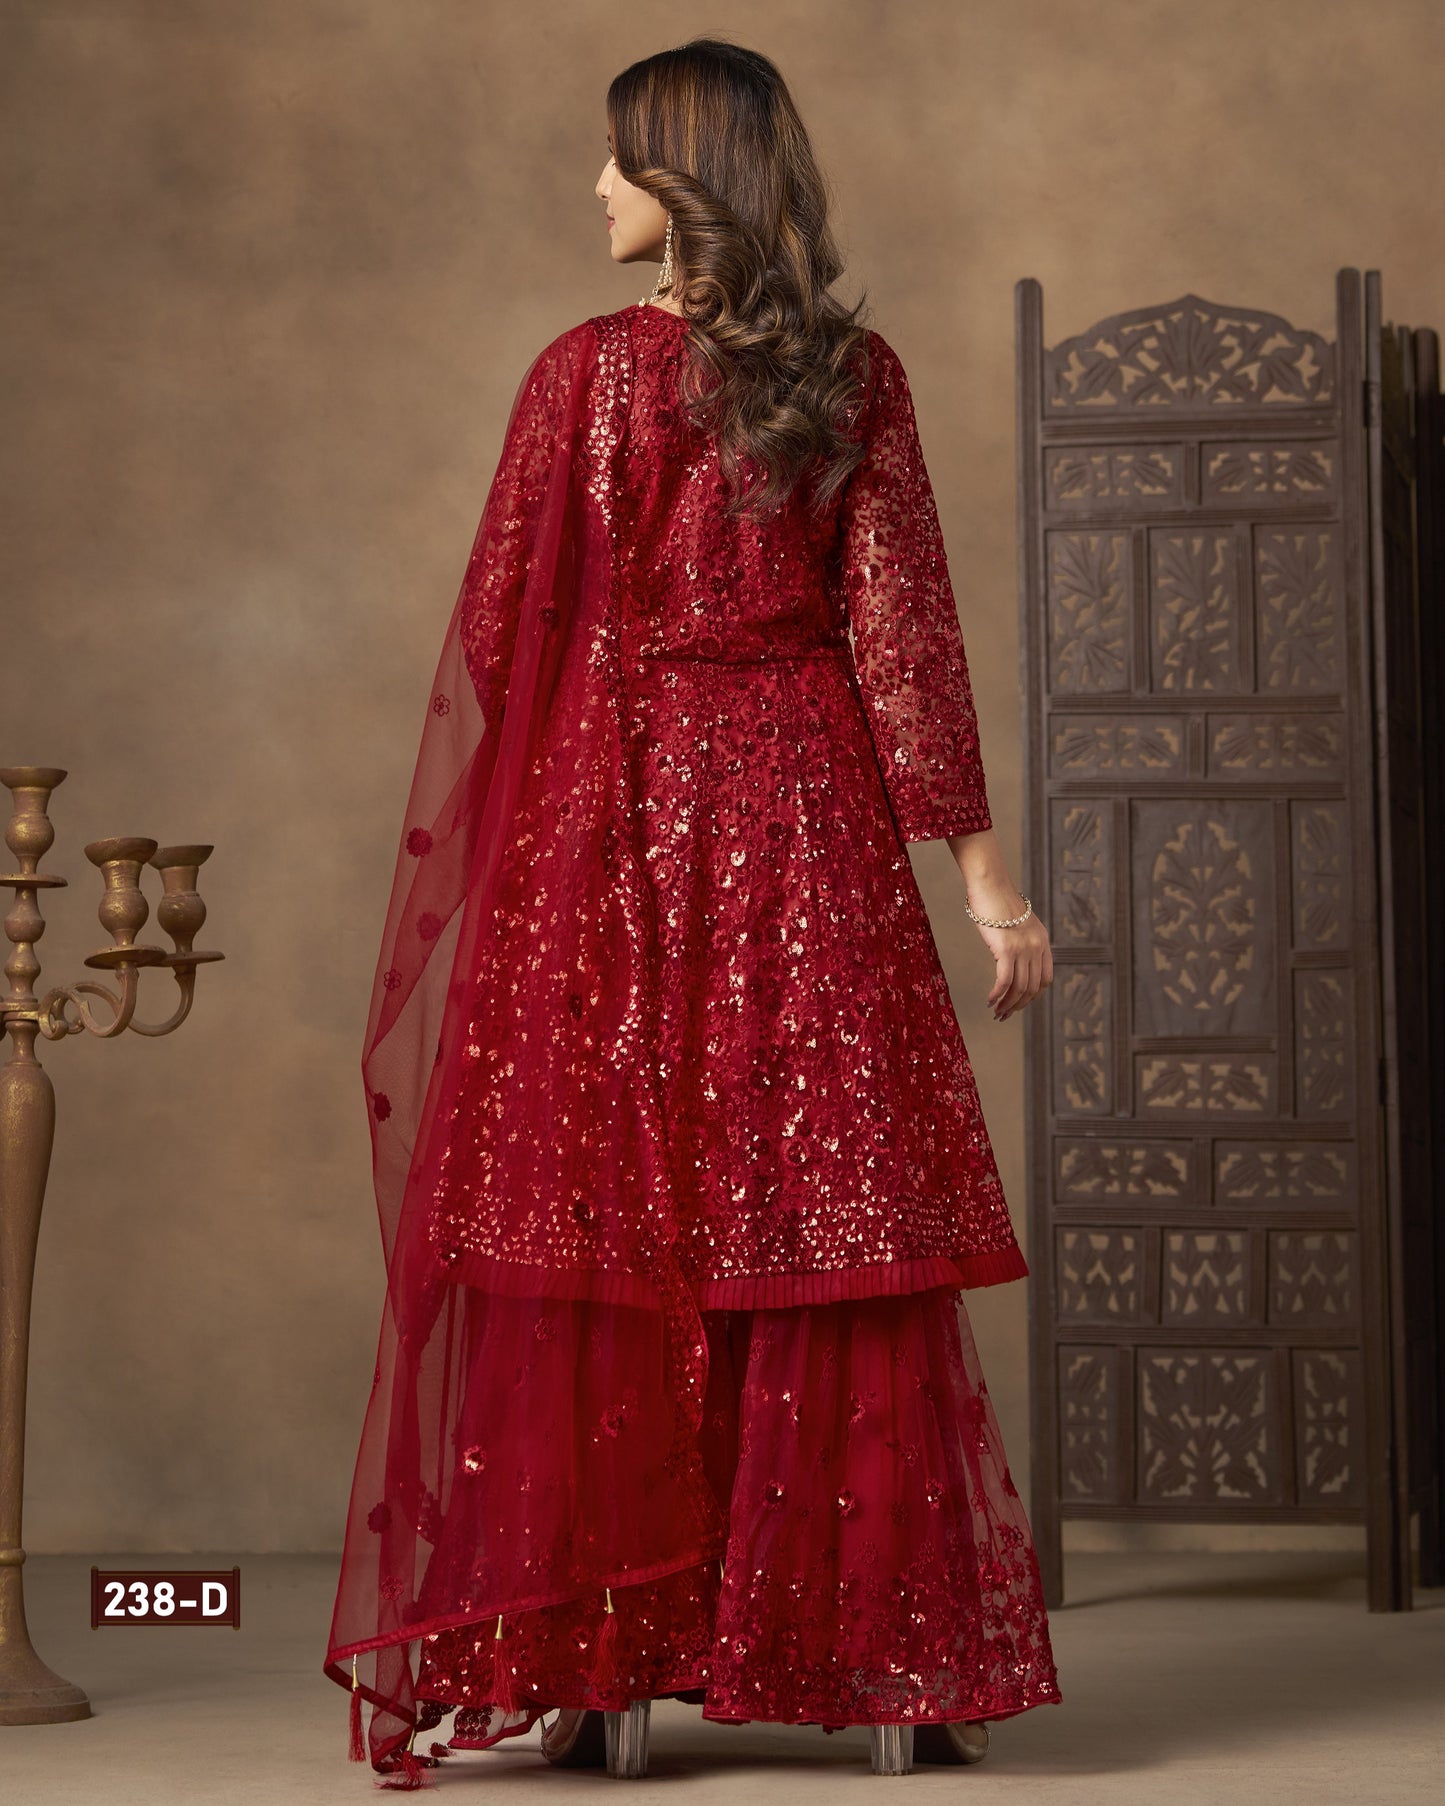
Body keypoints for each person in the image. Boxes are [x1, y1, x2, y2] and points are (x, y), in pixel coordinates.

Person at [324, 35, 1061, 1790]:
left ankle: (608, 1656)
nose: (589, 190)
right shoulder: (848, 377)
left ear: (682, 186)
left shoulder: (577, 381)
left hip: (618, 831)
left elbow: (502, 638)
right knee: (821, 1218)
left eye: (613, 163)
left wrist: (593, 752)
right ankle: (882, 1669)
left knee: (609, 1230)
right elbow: (905, 653)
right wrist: (987, 892)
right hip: (807, 819)